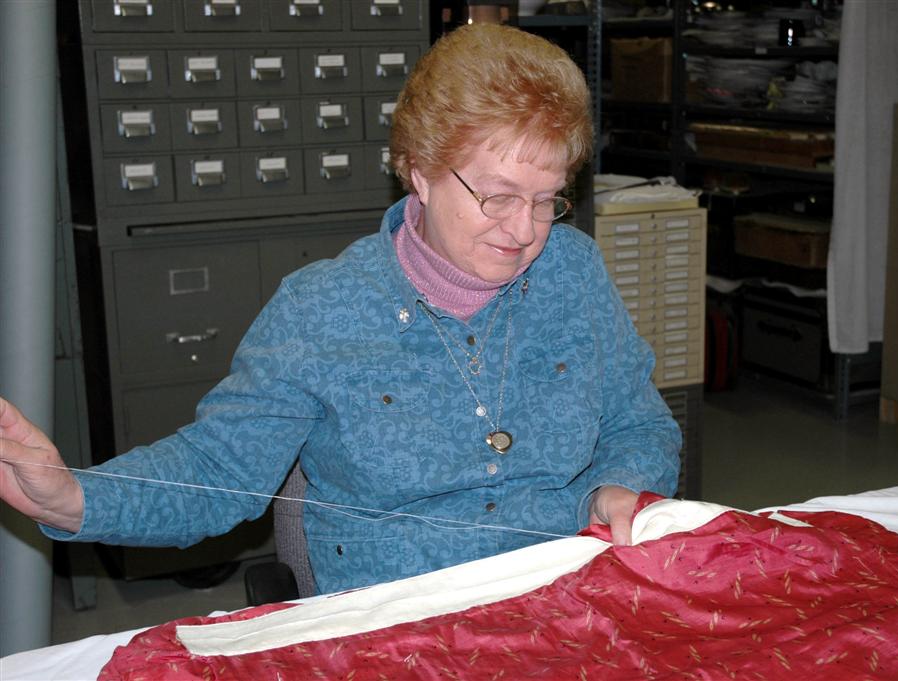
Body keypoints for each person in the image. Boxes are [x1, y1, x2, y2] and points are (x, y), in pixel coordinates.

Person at [0, 23, 681, 596]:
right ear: (419, 169)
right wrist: (71, 496)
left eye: (547, 198)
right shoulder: (322, 309)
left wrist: (621, 486)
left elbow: (637, 419)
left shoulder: (573, 271)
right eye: (498, 196)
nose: (526, 229)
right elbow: (218, 472)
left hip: (559, 595)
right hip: (393, 624)